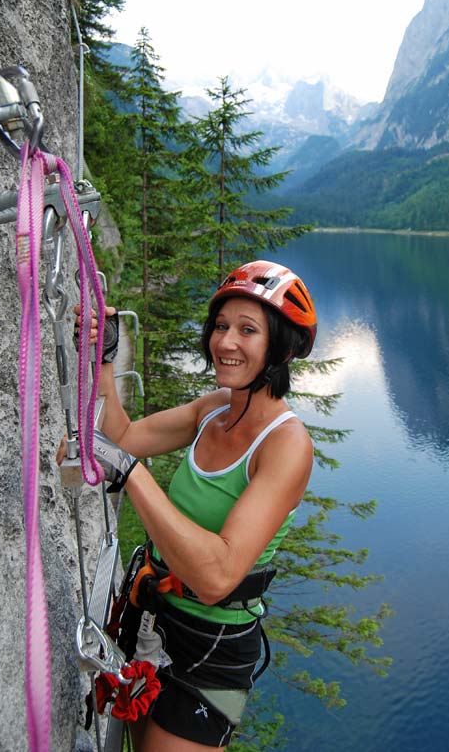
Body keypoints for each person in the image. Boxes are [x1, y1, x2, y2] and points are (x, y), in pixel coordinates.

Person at [78, 260, 317, 751]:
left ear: (284, 347)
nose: (226, 342)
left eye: (248, 330)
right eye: (221, 327)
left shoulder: (286, 446)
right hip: (151, 616)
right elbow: (121, 436)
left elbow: (217, 576)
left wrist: (131, 472)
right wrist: (103, 356)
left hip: (212, 647)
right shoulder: (214, 409)